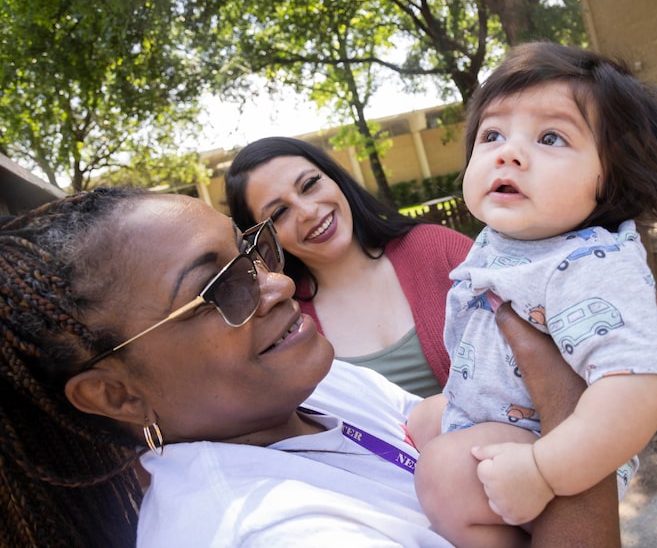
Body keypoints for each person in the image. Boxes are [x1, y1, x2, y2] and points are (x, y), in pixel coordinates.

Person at [0, 187, 621, 547]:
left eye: (248, 251)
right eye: (217, 288)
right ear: (115, 393)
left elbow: (447, 422)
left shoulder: (304, 393)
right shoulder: (265, 532)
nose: (272, 282)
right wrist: (570, 411)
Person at [409, 41, 657, 547]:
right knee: (422, 419)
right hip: (502, 423)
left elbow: (645, 382)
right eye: (492, 134)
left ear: (610, 179)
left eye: (551, 137)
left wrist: (544, 470)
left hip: (563, 449)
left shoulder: (586, 262)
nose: (508, 152)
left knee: (443, 473)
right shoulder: (505, 241)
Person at [225, 137, 473, 397]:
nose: (308, 211)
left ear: (335, 179)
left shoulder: (437, 249)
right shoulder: (284, 325)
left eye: (309, 185)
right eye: (278, 213)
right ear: (264, 241)